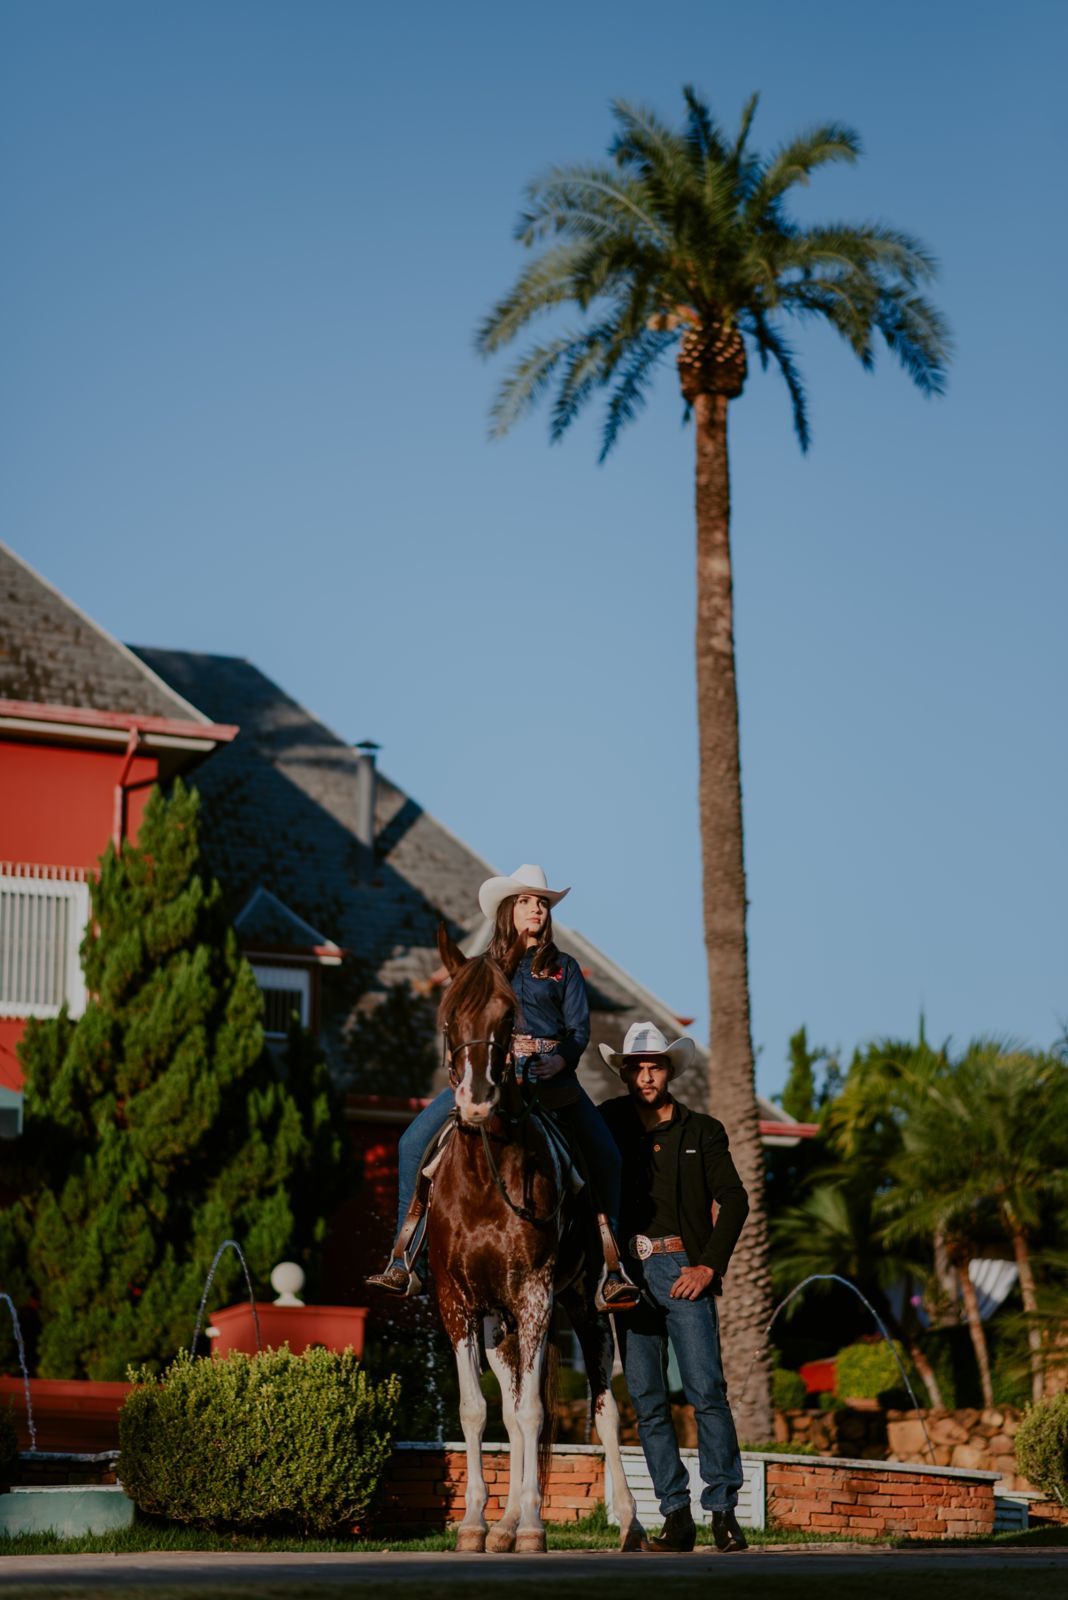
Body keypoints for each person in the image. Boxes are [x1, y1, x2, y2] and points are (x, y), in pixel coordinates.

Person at [367, 864, 640, 1311]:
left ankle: (611, 1266)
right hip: (492, 1079)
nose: (537, 909)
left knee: (606, 1156)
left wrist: (561, 1058)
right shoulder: (482, 968)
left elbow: (579, 1030)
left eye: (542, 903)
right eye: (528, 901)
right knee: (412, 1141)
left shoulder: (564, 968)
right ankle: (404, 1257)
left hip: (553, 1081)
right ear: (507, 911)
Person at [598, 1021, 751, 1554]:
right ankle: (676, 1516)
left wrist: (708, 1267)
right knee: (647, 1399)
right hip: (629, 1275)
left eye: (654, 1065)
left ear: (668, 1070)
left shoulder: (702, 1130)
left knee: (707, 1391)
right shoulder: (608, 1123)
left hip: (685, 1268)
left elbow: (734, 1199)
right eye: (637, 1066)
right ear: (623, 1071)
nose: (646, 1075)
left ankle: (725, 1514)